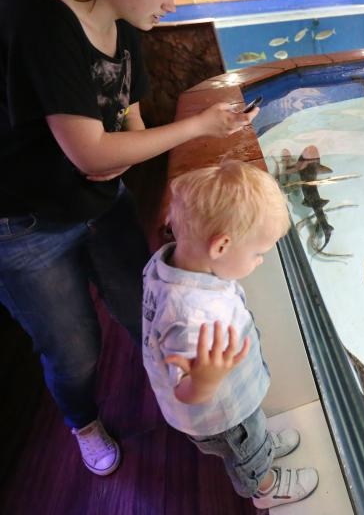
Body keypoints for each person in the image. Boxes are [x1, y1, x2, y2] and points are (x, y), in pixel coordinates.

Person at [0, 0, 256, 476]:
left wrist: (122, 159)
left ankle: (175, 397)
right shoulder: (35, 15)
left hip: (103, 203)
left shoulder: (125, 25)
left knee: (144, 309)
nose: (170, 3)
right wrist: (197, 126)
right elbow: (93, 153)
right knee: (73, 349)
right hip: (25, 223)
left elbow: (129, 133)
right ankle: (83, 423)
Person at [142, 160, 319, 509]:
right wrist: (205, 379)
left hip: (232, 401)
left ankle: (259, 446)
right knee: (244, 452)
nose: (261, 261)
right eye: (257, 253)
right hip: (222, 415)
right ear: (221, 247)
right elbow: (186, 392)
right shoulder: (192, 319)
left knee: (251, 437)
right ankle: (263, 485)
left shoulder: (167, 262)